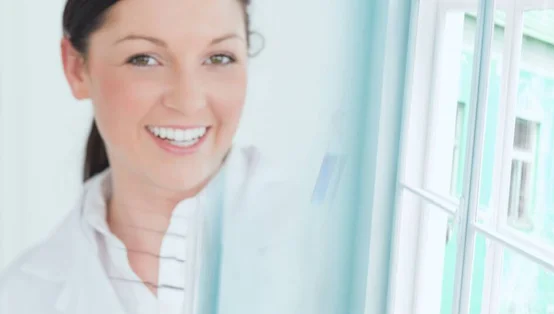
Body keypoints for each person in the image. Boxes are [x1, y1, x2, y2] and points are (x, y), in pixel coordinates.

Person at [0, 0, 317, 313]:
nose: (188, 101)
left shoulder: (328, 245)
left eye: (219, 58)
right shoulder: (22, 297)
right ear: (76, 69)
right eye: (144, 59)